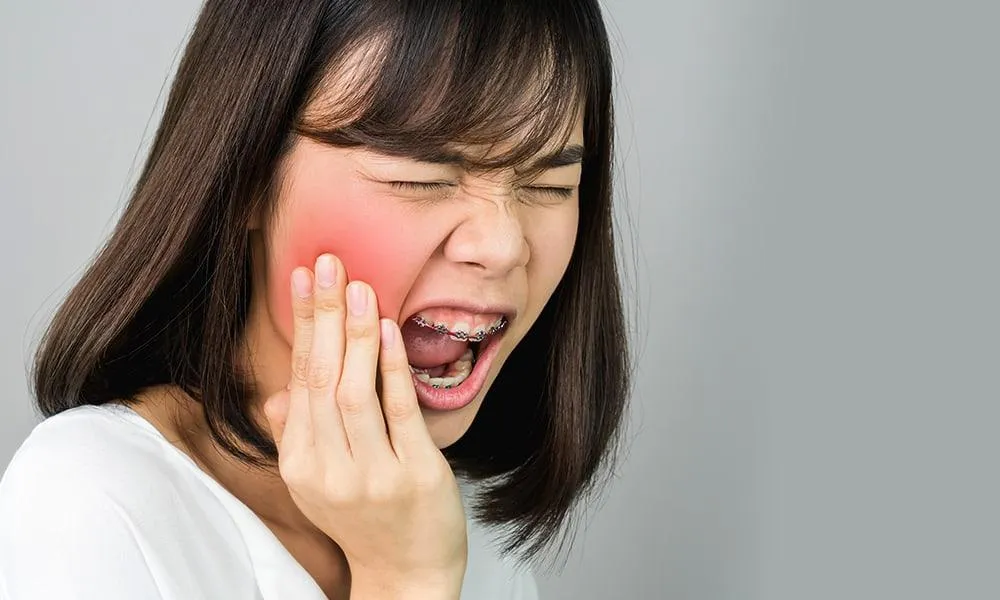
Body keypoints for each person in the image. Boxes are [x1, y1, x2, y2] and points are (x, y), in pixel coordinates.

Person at [0, 1, 630, 598]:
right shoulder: (88, 499)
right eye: (421, 176)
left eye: (551, 185)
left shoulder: (464, 524)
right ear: (244, 176)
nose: (503, 245)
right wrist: (406, 582)